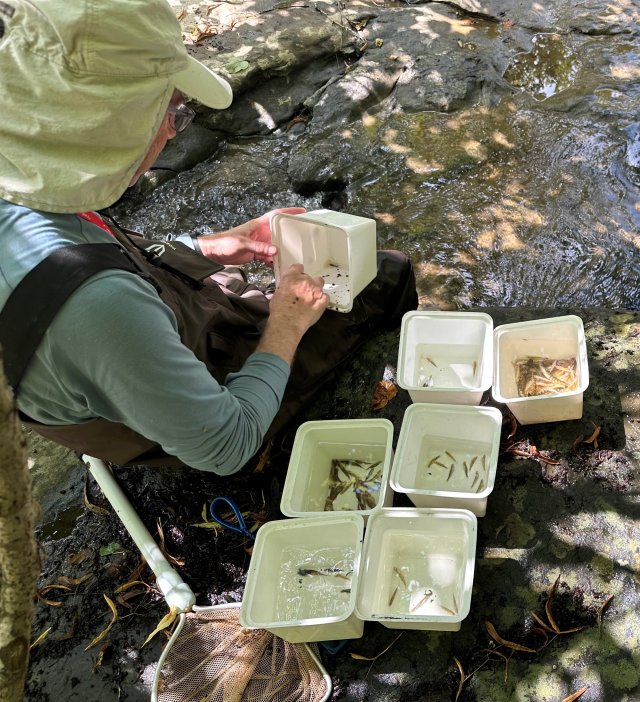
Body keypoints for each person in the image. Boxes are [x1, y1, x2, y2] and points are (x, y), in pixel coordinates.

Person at [0, 0, 418, 475]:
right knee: (387, 273)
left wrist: (210, 247)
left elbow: (100, 258)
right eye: (172, 110)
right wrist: (286, 325)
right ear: (110, 126)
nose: (175, 134)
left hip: (128, 366)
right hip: (192, 430)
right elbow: (225, 445)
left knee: (244, 281)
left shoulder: (25, 186)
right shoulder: (97, 307)